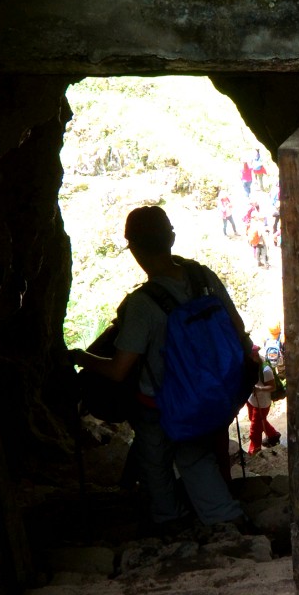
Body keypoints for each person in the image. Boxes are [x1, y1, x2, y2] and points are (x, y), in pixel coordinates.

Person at [70, 205, 251, 535]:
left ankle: (168, 522)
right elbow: (237, 327)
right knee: (195, 454)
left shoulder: (141, 304)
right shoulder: (203, 277)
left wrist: (83, 357)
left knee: (155, 459)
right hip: (214, 391)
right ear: (171, 237)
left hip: (161, 404)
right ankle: (226, 517)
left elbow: (119, 371)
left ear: (134, 250)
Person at [246, 348, 282, 455]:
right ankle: (273, 435)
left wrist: (259, 389)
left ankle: (254, 451)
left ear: (255, 356)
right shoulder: (250, 364)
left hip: (261, 404)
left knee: (255, 431)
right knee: (258, 421)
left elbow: (272, 387)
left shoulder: (265, 370)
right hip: (252, 400)